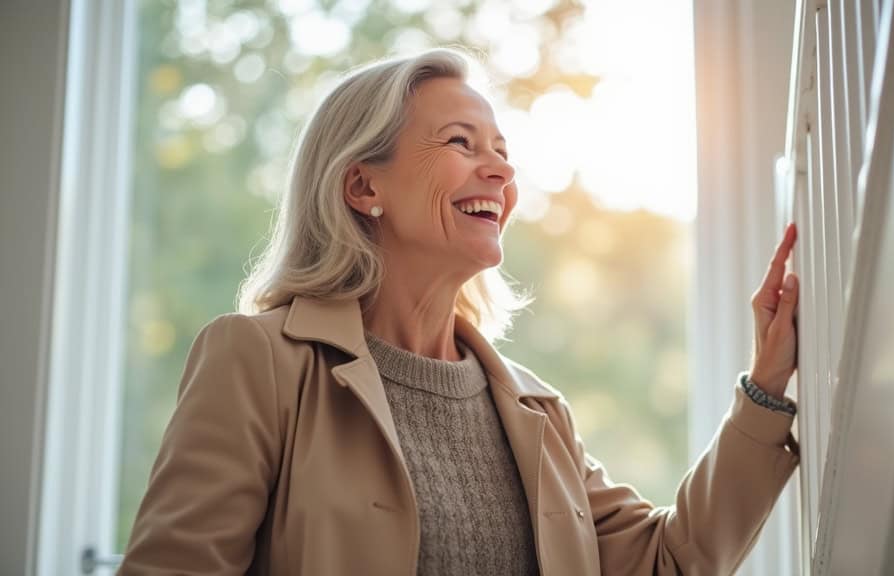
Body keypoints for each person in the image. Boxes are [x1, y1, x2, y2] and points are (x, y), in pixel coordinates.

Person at [118, 47, 801, 576]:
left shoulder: (539, 412)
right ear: (362, 185)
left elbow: (669, 560)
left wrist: (764, 390)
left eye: (502, 152)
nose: (501, 173)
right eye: (461, 143)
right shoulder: (258, 360)